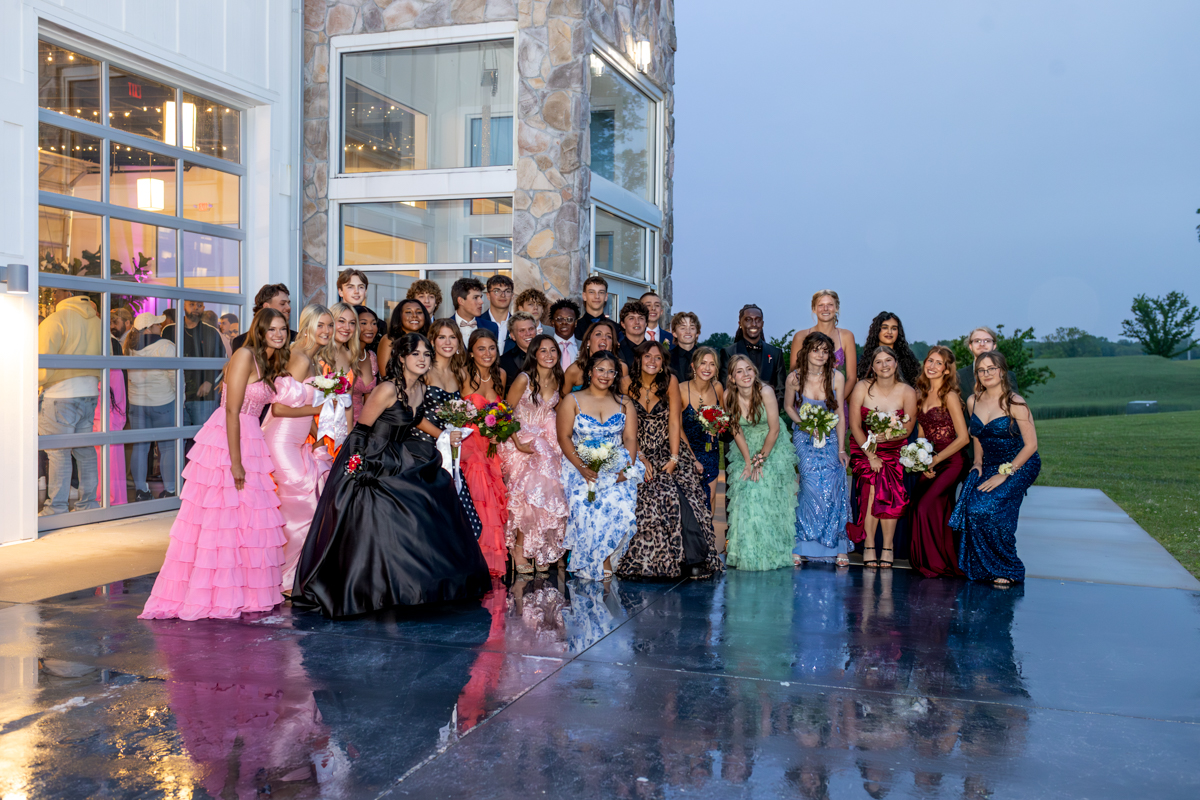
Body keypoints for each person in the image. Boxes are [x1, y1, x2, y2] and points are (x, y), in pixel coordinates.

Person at [291, 333, 491, 617]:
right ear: (401, 358)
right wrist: (358, 466)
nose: (422, 359)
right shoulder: (386, 389)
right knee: (389, 509)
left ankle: (424, 584)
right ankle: (379, 589)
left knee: (437, 487)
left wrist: (446, 436)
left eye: (426, 355)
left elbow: (416, 418)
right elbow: (361, 430)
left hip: (401, 452)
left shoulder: (420, 388)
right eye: (416, 354)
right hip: (371, 454)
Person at [139, 308, 292, 620]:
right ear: (260, 331)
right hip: (229, 438)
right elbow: (232, 410)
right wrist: (235, 462)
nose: (279, 334)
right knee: (222, 518)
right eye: (273, 329)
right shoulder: (245, 355)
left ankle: (244, 591)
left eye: (283, 330)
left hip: (250, 436)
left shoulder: (269, 359)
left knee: (246, 518)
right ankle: (212, 592)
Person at [617, 341, 721, 580]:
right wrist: (640, 458)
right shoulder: (624, 384)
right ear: (639, 359)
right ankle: (657, 559)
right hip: (637, 448)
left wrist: (675, 458)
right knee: (651, 493)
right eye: (648, 357)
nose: (653, 361)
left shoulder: (670, 382)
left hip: (668, 445)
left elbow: (675, 421)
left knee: (683, 491)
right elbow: (626, 428)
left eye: (658, 358)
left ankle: (694, 558)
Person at [951, 351, 1041, 586]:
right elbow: (978, 436)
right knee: (972, 508)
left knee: (992, 509)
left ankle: (1008, 567)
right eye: (982, 370)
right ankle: (982, 567)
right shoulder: (973, 401)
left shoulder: (1016, 403)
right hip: (989, 463)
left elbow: (1031, 445)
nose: (987, 373)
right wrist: (978, 463)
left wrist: (1005, 474)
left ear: (1002, 371)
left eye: (991, 368)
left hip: (1020, 463)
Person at [262, 305, 336, 589]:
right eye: (321, 325)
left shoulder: (315, 361)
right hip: (281, 441)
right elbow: (279, 409)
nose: (327, 331)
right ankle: (282, 579)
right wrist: (319, 409)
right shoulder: (300, 358)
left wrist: (319, 434)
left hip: (299, 441)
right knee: (302, 507)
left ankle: (294, 575)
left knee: (308, 505)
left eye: (329, 325)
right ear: (306, 327)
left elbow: (305, 408)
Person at [556, 350, 645, 580]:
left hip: (617, 465)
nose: (605, 375)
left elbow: (630, 439)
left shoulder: (624, 403)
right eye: (601, 370)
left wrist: (627, 469)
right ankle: (593, 559)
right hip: (580, 466)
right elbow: (564, 437)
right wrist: (581, 467)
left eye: (611, 371)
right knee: (585, 504)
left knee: (616, 504)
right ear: (589, 372)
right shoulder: (572, 400)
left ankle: (605, 556)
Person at [721, 354, 797, 570]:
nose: (745, 374)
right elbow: (735, 429)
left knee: (765, 493)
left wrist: (760, 460)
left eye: (749, 369)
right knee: (745, 492)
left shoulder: (766, 391)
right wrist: (747, 460)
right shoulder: (728, 396)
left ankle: (772, 552)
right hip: (744, 444)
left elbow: (774, 429)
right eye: (739, 371)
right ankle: (745, 551)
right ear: (732, 378)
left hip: (771, 444)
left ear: (755, 372)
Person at [500, 334, 568, 573]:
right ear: (534, 354)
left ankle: (538, 548)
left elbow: (558, 411)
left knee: (546, 497)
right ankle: (519, 548)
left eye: (553, 351)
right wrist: (518, 443)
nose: (549, 355)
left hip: (547, 443)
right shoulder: (523, 379)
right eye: (543, 351)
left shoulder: (559, 378)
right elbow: (504, 413)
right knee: (529, 494)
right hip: (521, 439)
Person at [408, 319, 482, 539]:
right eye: (442, 337)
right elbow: (413, 415)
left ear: (459, 342)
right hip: (423, 450)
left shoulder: (460, 373)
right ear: (432, 341)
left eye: (452, 337)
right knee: (429, 513)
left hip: (449, 452)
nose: (447, 342)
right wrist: (442, 435)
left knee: (464, 519)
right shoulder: (423, 371)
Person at [847, 346, 918, 569]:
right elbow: (856, 427)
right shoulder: (862, 387)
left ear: (896, 364)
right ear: (873, 367)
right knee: (872, 488)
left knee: (891, 491)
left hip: (894, 449)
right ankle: (869, 544)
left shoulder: (907, 391)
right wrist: (870, 455)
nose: (884, 365)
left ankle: (887, 547)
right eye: (878, 362)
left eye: (888, 360)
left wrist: (887, 437)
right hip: (865, 447)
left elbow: (907, 429)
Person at [785, 332, 851, 567]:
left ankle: (836, 545)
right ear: (807, 352)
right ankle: (802, 543)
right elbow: (788, 406)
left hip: (831, 438)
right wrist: (806, 426)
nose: (821, 355)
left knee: (833, 487)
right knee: (810, 487)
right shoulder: (794, 377)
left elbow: (841, 414)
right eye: (816, 350)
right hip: (804, 437)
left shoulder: (837, 378)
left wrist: (842, 449)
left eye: (826, 351)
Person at [37, 289, 103, 516]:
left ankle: (56, 509)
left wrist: (35, 382)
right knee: (85, 450)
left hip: (60, 394)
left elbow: (43, 364)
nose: (52, 296)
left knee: (58, 453)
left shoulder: (55, 320)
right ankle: (88, 504)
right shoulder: (97, 322)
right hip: (89, 392)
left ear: (65, 294)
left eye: (55, 292)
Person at [910, 346, 970, 579]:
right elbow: (922, 433)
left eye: (938, 363)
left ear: (946, 370)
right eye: (930, 361)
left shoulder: (950, 395)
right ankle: (938, 559)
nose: (932, 366)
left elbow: (963, 438)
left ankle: (937, 563)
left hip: (953, 461)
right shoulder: (921, 394)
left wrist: (935, 460)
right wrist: (924, 461)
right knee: (918, 504)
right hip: (932, 460)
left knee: (926, 505)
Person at [460, 328, 509, 576]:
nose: (487, 353)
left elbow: (503, 413)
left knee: (493, 496)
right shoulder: (463, 375)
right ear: (471, 353)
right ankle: (476, 556)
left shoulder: (501, 374)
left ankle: (490, 558)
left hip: (491, 445)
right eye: (481, 348)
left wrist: (498, 430)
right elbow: (456, 411)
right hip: (470, 445)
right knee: (479, 496)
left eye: (492, 348)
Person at [126, 312, 178, 502]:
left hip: (137, 403)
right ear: (149, 329)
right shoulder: (166, 347)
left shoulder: (130, 348)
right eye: (157, 324)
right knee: (168, 447)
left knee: (140, 447)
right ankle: (171, 489)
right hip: (163, 401)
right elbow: (175, 378)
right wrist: (179, 400)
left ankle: (141, 490)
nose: (160, 327)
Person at [163, 300, 227, 435]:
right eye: (191, 305)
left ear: (204, 307)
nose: (196, 308)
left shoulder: (211, 332)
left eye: (199, 305)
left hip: (203, 396)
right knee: (177, 441)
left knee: (205, 437)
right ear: (183, 306)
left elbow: (221, 359)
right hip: (174, 394)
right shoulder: (170, 330)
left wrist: (209, 381)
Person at [788, 290, 858, 397]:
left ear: (837, 308)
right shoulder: (800, 336)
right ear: (814, 309)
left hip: (836, 400)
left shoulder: (846, 336)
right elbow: (794, 373)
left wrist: (835, 402)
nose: (825, 309)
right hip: (807, 399)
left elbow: (851, 378)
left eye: (830, 305)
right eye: (821, 305)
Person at [680, 346, 724, 510]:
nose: (707, 368)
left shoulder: (718, 387)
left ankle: (708, 536)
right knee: (690, 503)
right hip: (688, 453)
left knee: (710, 500)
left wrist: (717, 427)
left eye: (712, 364)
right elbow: (677, 428)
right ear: (693, 366)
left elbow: (724, 418)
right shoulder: (681, 389)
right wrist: (693, 459)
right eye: (703, 363)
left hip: (711, 453)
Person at [718, 304, 786, 403]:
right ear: (740, 323)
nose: (754, 324)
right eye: (748, 319)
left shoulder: (776, 353)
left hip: (770, 414)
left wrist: (770, 413)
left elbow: (781, 391)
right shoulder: (729, 352)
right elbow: (726, 388)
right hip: (739, 414)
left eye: (758, 320)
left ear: (762, 324)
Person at [562, 319, 628, 393]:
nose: (604, 338)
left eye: (609, 336)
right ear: (588, 341)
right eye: (598, 334)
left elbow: (624, 399)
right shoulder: (574, 370)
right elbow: (562, 400)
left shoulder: (621, 368)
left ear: (612, 345)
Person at [957, 327, 1019, 404]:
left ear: (994, 346)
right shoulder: (958, 376)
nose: (982, 344)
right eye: (977, 341)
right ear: (970, 346)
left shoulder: (1009, 375)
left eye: (987, 341)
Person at [858, 312, 921, 387]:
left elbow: (917, 386)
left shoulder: (908, 358)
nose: (889, 332)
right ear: (877, 330)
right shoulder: (866, 358)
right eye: (885, 327)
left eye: (894, 328)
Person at [231, 284, 295, 352]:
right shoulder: (241, 341)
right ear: (266, 307)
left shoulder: (297, 338)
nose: (288, 307)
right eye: (282, 304)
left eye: (288, 303)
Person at [377, 298, 432, 378]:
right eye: (408, 312)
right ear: (399, 316)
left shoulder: (428, 340)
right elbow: (385, 375)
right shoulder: (389, 339)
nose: (414, 316)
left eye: (419, 312)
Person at [350, 307, 380, 421]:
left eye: (374, 323)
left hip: (362, 422)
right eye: (364, 323)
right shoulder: (342, 355)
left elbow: (369, 400)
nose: (370, 328)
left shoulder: (371, 357)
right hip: (339, 422)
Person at [499, 311, 539, 392]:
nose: (528, 334)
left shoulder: (548, 356)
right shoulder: (503, 361)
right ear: (513, 336)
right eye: (522, 330)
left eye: (531, 329)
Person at [481, 274, 514, 350]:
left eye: (507, 291)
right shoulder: (477, 322)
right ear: (488, 295)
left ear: (512, 296)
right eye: (497, 291)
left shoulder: (518, 325)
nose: (503, 295)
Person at [450, 277, 487, 344]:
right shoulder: (444, 327)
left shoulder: (491, 327)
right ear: (461, 301)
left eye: (481, 297)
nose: (481, 301)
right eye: (475, 298)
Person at [575, 274, 610, 342]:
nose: (597, 296)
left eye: (601, 292)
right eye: (591, 292)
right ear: (584, 296)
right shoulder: (575, 328)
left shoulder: (616, 328)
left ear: (606, 296)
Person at [616, 300, 650, 369]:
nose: (637, 322)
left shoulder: (654, 350)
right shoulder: (616, 351)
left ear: (646, 323)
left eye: (641, 318)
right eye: (631, 318)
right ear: (623, 324)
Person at [668, 311, 701, 381]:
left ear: (697, 333)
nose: (688, 331)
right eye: (683, 328)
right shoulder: (667, 358)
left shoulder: (704, 357)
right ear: (674, 333)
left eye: (692, 328)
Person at [549, 298, 580, 369]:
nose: (564, 323)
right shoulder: (544, 346)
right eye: (559, 319)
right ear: (552, 322)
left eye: (569, 319)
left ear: (575, 323)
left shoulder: (583, 347)